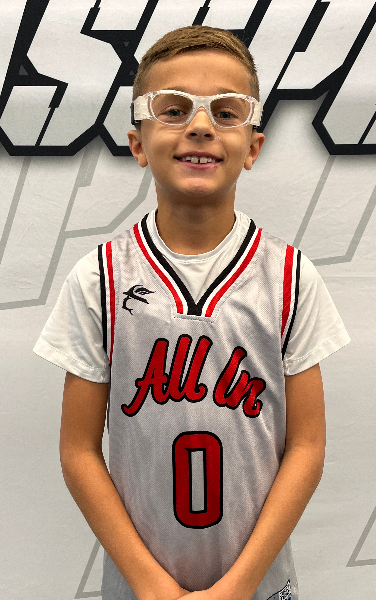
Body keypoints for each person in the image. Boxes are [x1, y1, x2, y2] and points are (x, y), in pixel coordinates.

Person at [34, 25, 350, 600]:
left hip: (259, 585)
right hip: (140, 587)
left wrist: (238, 587)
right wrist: (151, 585)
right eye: (174, 109)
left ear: (252, 147)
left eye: (226, 112)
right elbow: (78, 451)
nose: (201, 125)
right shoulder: (99, 278)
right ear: (137, 143)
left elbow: (307, 447)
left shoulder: (291, 277)